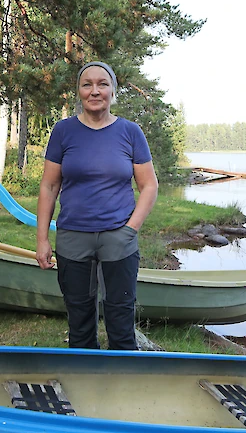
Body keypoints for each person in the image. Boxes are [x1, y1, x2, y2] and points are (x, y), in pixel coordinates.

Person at [36, 61, 159, 350]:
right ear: (79, 91)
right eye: (87, 84)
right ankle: (83, 381)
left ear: (113, 91)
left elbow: (149, 185)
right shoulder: (63, 131)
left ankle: (122, 383)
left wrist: (131, 228)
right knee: (79, 319)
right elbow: (49, 186)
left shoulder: (130, 132)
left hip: (119, 235)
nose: (95, 91)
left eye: (102, 84)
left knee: (120, 316)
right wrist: (42, 239)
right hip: (73, 237)